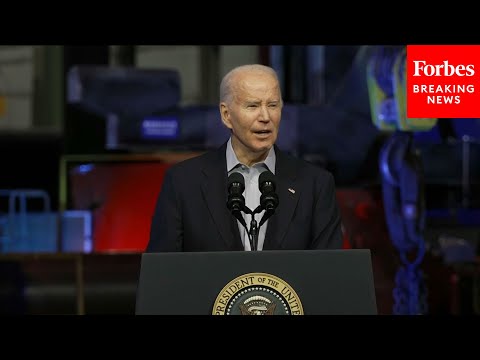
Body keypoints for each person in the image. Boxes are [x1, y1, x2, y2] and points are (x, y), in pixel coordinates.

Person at [147, 64, 343, 252]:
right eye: (253, 106)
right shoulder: (183, 183)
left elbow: (329, 274)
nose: (265, 116)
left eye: (273, 105)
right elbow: (162, 276)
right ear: (226, 115)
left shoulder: (316, 185)